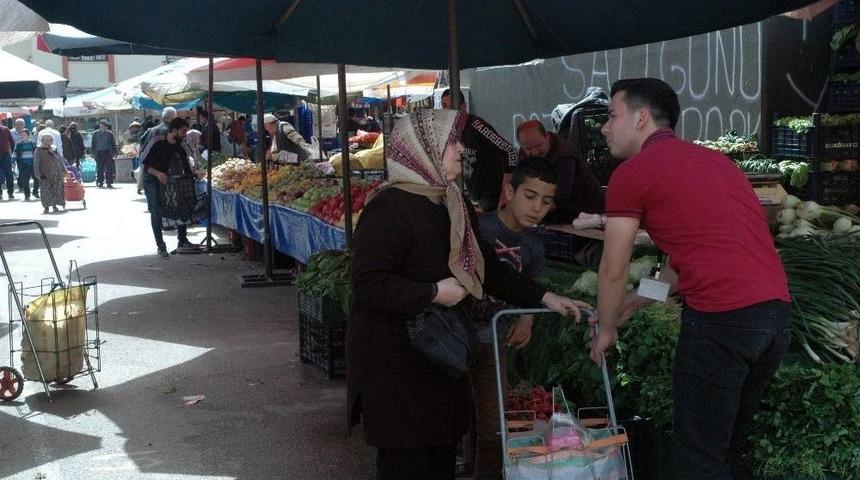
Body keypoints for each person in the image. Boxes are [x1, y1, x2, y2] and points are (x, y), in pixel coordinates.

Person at [347, 109, 589, 480]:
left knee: (440, 459)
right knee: (406, 466)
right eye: (452, 143)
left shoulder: (453, 204)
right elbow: (366, 283)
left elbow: (488, 269)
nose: (462, 150)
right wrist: (432, 292)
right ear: (422, 150)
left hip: (442, 361)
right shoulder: (388, 208)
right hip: (397, 370)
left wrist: (544, 298)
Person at [590, 78, 791, 480]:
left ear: (642, 118)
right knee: (729, 451)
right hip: (775, 320)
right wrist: (634, 301)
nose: (604, 128)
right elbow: (681, 267)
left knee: (700, 460)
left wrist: (606, 326)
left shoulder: (633, 173)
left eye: (612, 116)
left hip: (722, 321)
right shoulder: (716, 162)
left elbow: (613, 265)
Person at [471, 156, 559, 480]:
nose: (537, 207)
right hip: (457, 336)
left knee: (493, 428)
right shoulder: (480, 228)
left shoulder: (534, 248)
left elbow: (531, 292)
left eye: (546, 201)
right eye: (530, 196)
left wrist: (527, 320)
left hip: (493, 342)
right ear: (509, 191)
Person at [441, 88, 519, 213]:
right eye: (444, 106)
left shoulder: (477, 126)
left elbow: (510, 151)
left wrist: (505, 193)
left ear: (463, 107)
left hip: (492, 198)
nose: (448, 111)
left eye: (453, 107)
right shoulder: (452, 133)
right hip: (475, 197)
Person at [516, 119, 605, 223]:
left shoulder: (564, 156)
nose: (535, 152)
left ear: (547, 137)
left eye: (538, 146)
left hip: (584, 213)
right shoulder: (524, 153)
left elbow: (560, 199)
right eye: (529, 148)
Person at [141, 117, 195, 257]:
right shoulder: (157, 141)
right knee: (156, 209)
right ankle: (161, 246)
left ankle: (182, 240)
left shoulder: (180, 144)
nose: (185, 134)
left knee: (180, 204)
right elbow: (144, 164)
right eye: (183, 131)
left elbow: (186, 164)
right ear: (174, 131)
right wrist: (158, 174)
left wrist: (194, 174)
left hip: (166, 176)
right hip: (151, 177)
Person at [33, 134, 65, 214]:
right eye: (47, 140)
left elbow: (60, 160)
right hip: (44, 174)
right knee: (45, 191)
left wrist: (64, 170)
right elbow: (36, 163)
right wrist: (37, 173)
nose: (49, 141)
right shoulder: (39, 149)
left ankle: (54, 205)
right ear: (42, 140)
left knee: (56, 189)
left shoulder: (54, 148)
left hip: (56, 173)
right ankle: (46, 207)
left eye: (50, 140)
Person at [90, 119, 117, 188]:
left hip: (108, 152)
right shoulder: (95, 133)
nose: (102, 127)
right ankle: (100, 181)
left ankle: (109, 182)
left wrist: (115, 153)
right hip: (99, 153)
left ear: (106, 126)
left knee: (109, 168)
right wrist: (92, 153)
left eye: (104, 126)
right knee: (100, 168)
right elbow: (92, 144)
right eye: (101, 125)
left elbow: (113, 144)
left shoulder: (109, 134)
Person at [14, 129, 38, 201]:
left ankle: (35, 192)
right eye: (21, 134)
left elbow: (37, 154)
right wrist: (13, 161)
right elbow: (14, 153)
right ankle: (27, 195)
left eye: (23, 134)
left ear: (28, 135)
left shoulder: (33, 143)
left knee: (36, 178)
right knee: (25, 180)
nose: (22, 136)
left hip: (33, 164)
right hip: (23, 165)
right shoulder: (18, 144)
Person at [0, 122, 15, 200]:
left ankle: (10, 192)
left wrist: (14, 153)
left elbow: (11, 142)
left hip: (6, 155)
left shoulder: (6, 129)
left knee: (9, 174)